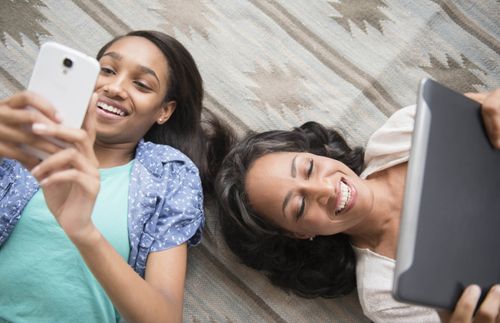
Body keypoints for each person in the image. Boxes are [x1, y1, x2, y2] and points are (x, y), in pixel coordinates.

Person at [214, 89, 500, 322]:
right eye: (300, 206)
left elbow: (491, 107)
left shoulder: (400, 135)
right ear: (298, 234)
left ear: (313, 152)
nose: (326, 189)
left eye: (309, 167)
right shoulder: (384, 294)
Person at [0, 30, 221, 322]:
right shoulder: (26, 137)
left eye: (141, 84)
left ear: (164, 111)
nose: (115, 88)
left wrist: (83, 231)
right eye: (106, 70)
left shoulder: (170, 175)